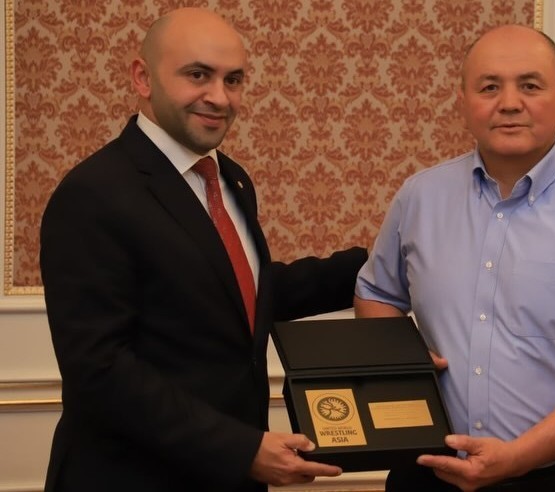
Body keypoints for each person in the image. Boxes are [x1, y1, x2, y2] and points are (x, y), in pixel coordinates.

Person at [40, 8, 367, 492]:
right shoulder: (93, 193)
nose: (219, 97)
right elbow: (99, 369)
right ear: (142, 78)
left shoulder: (231, 178)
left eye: (233, 80)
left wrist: (380, 263)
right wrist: (242, 450)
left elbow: (239, 297)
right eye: (198, 75)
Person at [354, 24, 555, 492]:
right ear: (464, 102)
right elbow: (375, 292)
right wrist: (400, 358)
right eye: (489, 87)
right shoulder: (419, 197)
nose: (509, 103)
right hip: (428, 476)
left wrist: (517, 457)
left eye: (530, 86)